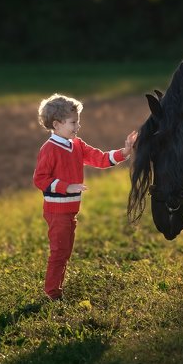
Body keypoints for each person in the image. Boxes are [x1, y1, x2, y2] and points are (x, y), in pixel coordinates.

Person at [33, 93, 137, 301]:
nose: (78, 126)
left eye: (77, 121)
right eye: (73, 122)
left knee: (64, 252)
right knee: (59, 252)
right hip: (56, 211)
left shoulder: (77, 145)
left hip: (71, 210)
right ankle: (52, 293)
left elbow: (99, 158)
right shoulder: (49, 149)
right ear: (57, 124)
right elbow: (40, 179)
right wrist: (67, 186)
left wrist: (124, 152)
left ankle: (55, 290)